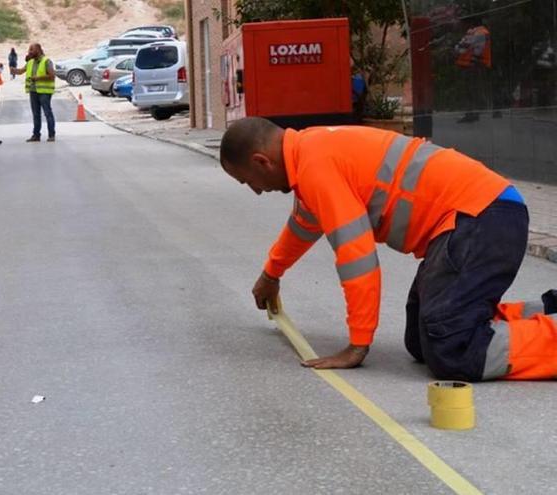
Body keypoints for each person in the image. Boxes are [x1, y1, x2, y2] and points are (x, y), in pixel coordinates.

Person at [219, 117, 557, 381]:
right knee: (421, 340)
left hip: (482, 217)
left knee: (452, 348)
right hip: (476, 218)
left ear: (262, 161)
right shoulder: (310, 153)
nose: (256, 192)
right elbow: (303, 226)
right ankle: (548, 309)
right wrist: (271, 275)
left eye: (248, 181)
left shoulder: (315, 166)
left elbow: (358, 258)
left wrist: (357, 344)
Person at [11, 43, 56, 142]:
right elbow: (21, 71)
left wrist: (38, 78)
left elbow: (52, 76)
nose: (29, 52)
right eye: (29, 50)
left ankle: (51, 134)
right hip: (33, 91)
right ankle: (36, 135)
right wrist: (14, 70)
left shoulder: (46, 61)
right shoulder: (30, 62)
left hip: (44, 91)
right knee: (36, 114)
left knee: (47, 113)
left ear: (38, 50)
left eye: (31, 49)